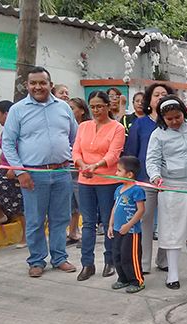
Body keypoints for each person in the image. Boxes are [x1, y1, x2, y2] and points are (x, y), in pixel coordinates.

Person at [2, 66, 78, 277]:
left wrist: (70, 158)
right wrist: (20, 172)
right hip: (33, 175)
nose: (38, 87)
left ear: (50, 85)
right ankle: (36, 261)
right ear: (27, 86)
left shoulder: (64, 108)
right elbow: (8, 143)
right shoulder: (18, 110)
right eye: (33, 83)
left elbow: (74, 137)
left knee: (61, 218)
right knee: (35, 220)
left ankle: (60, 258)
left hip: (62, 172)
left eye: (42, 83)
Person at [146, 95, 187, 290]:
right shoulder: (158, 135)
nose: (175, 121)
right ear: (162, 118)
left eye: (178, 117)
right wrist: (155, 176)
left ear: (184, 113)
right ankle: (173, 274)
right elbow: (152, 160)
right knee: (173, 230)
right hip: (172, 187)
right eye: (170, 119)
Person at [72, 91, 125, 281]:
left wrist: (95, 166)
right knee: (88, 223)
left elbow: (113, 155)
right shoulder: (83, 126)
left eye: (100, 106)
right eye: (93, 106)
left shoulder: (117, 128)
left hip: (107, 181)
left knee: (108, 221)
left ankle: (110, 261)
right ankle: (87, 263)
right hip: (85, 180)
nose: (96, 110)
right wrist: (82, 165)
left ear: (108, 106)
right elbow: (76, 150)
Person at [124, 83, 174, 273]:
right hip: (145, 181)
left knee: (167, 222)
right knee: (145, 221)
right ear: (149, 100)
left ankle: (163, 259)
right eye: (156, 95)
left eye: (164, 94)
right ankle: (144, 262)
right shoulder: (141, 124)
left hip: (170, 181)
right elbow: (132, 152)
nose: (160, 97)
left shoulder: (174, 122)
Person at [0, 100, 26, 248]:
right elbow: (4, 154)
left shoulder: (18, 130)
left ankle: (26, 236)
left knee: (18, 202)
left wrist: (15, 168)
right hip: (4, 169)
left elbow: (21, 151)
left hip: (14, 172)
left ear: (6, 114)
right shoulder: (6, 131)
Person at [108, 156, 146, 293]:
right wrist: (111, 225)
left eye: (119, 171)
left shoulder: (137, 190)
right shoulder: (118, 190)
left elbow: (141, 210)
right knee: (117, 254)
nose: (116, 173)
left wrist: (129, 225)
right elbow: (115, 207)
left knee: (129, 256)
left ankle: (137, 280)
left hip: (131, 231)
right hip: (118, 229)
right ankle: (123, 278)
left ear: (129, 174)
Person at [67, 97, 92, 246]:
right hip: (67, 169)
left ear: (82, 110)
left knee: (83, 204)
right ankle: (73, 232)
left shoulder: (87, 127)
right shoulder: (65, 126)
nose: (69, 111)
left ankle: (88, 234)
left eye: (72, 108)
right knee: (71, 205)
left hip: (81, 170)